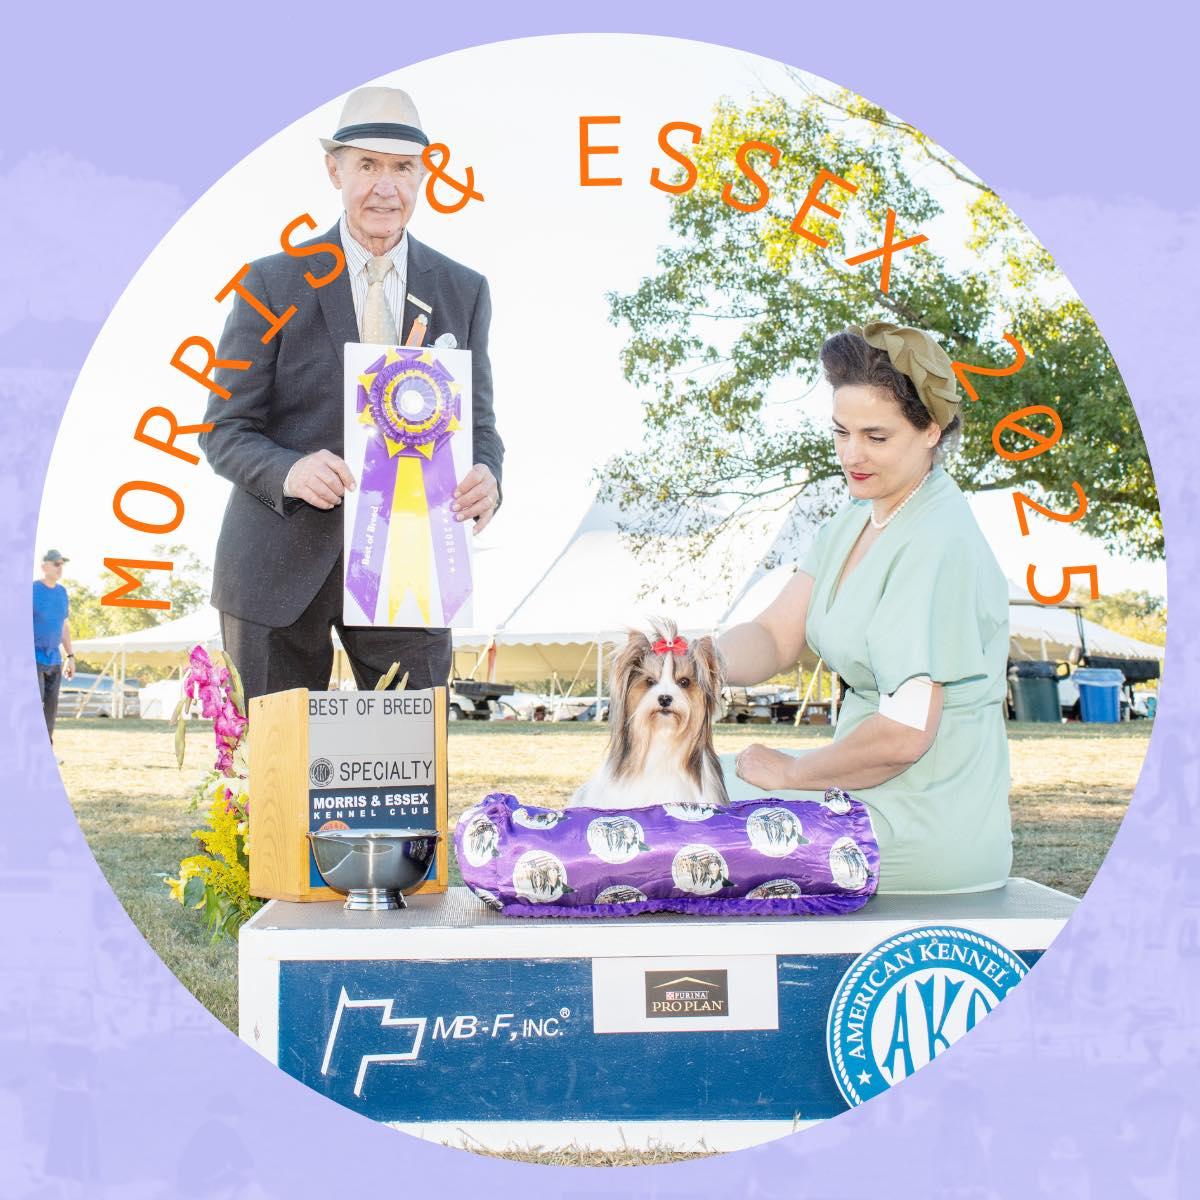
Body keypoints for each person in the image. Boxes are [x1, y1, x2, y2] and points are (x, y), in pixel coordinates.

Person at [200, 86, 503, 700]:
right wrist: (290, 471)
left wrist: (489, 477)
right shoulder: (269, 282)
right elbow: (223, 430)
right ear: (334, 170)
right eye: (367, 165)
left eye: (402, 168)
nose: (385, 187)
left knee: (413, 753)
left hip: (411, 573)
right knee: (274, 760)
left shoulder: (464, 290)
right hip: (274, 572)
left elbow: (479, 425)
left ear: (423, 175)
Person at [717, 323, 1012, 894]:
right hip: (855, 790)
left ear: (931, 430)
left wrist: (792, 772)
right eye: (841, 432)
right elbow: (774, 636)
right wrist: (697, 661)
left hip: (920, 825)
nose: (852, 455)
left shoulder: (937, 542)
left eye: (875, 437)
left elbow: (903, 736)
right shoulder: (853, 520)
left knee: (678, 819)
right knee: (672, 786)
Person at [33, 549, 75, 741]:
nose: (60, 568)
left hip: (54, 660)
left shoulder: (62, 593)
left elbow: (63, 626)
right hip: (33, 658)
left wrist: (70, 656)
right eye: (56, 564)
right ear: (44, 567)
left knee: (50, 711)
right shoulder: (31, 590)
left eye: (62, 564)